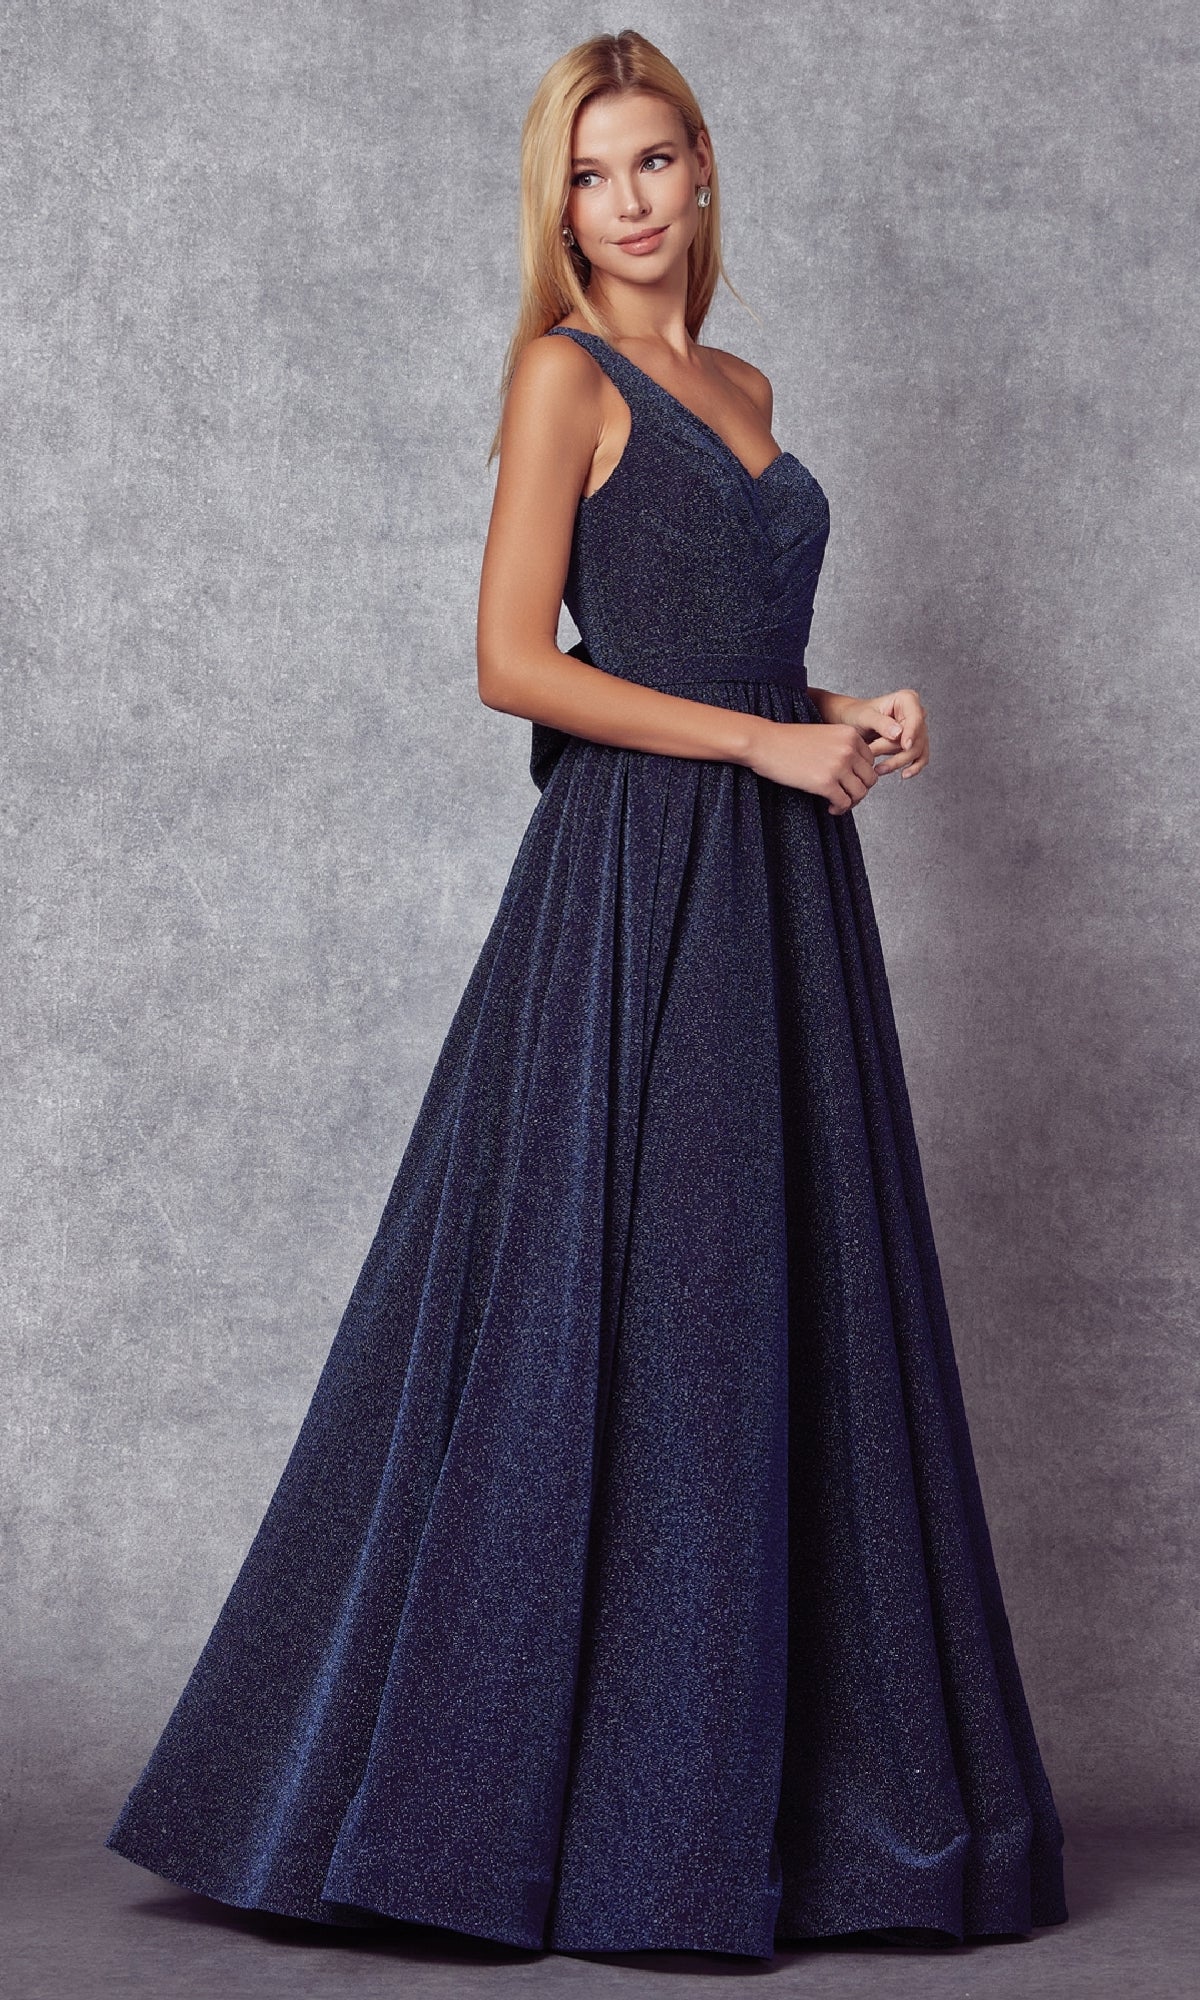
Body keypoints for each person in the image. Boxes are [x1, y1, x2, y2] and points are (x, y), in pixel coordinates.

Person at [105, 29, 1068, 1961]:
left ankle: (757, 1814)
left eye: (653, 160)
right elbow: (515, 662)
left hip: (781, 888)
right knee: (630, 1310)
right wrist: (765, 744)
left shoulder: (746, 385)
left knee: (768, 1316)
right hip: (641, 887)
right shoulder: (565, 375)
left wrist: (837, 712)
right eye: (590, 172)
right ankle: (546, 1826)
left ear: (703, 170)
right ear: (559, 203)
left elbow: (722, 650)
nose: (627, 200)